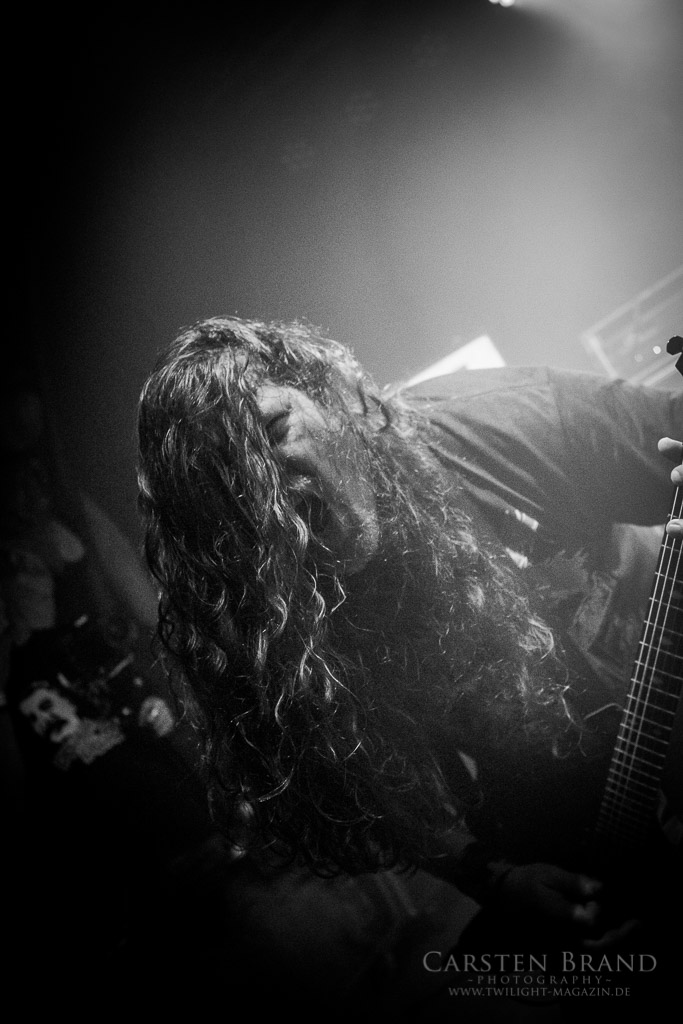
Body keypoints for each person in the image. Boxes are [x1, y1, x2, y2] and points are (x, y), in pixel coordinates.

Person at [136, 316, 682, 1012]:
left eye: (274, 430)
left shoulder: (503, 420)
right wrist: (494, 879)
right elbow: (359, 789)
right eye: (232, 489)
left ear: (329, 395)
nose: (274, 495)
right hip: (560, 831)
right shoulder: (271, 619)